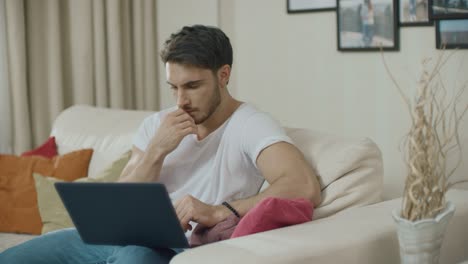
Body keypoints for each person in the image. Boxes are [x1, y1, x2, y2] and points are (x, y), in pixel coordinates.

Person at [0, 25, 321, 264]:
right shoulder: (158, 125)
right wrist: (156, 150)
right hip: (120, 238)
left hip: (174, 249)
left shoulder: (249, 124)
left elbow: (303, 185)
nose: (181, 100)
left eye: (193, 86)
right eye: (173, 87)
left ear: (224, 75)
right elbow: (121, 199)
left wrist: (219, 210)